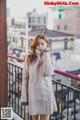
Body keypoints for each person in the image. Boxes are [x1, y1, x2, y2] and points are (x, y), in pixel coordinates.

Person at [21, 34, 57, 120]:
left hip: (45, 94)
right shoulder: (29, 58)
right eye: (37, 44)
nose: (40, 46)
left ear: (47, 44)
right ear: (34, 45)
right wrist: (24, 96)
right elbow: (25, 78)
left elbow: (48, 72)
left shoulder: (51, 57)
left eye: (42, 43)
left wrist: (46, 54)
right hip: (33, 94)